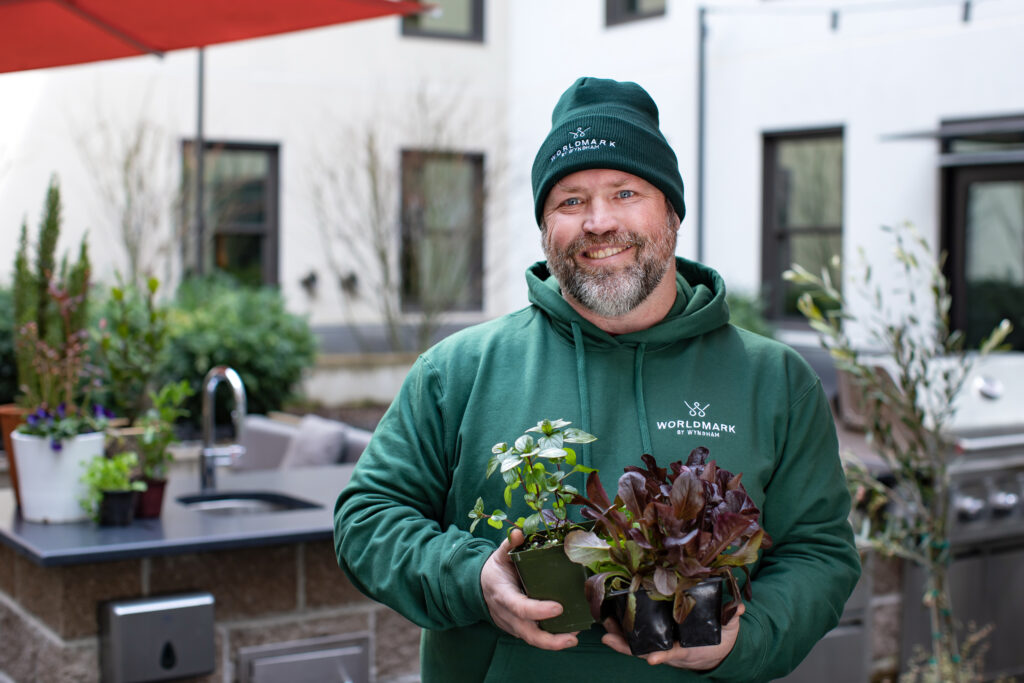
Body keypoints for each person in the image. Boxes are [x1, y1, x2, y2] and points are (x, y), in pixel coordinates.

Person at [334, 76, 861, 682]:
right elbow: (367, 520)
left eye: (626, 191)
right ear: (545, 226)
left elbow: (819, 552)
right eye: (570, 200)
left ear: (672, 212)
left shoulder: (773, 380)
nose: (599, 221)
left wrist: (743, 642)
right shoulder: (458, 369)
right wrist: (473, 579)